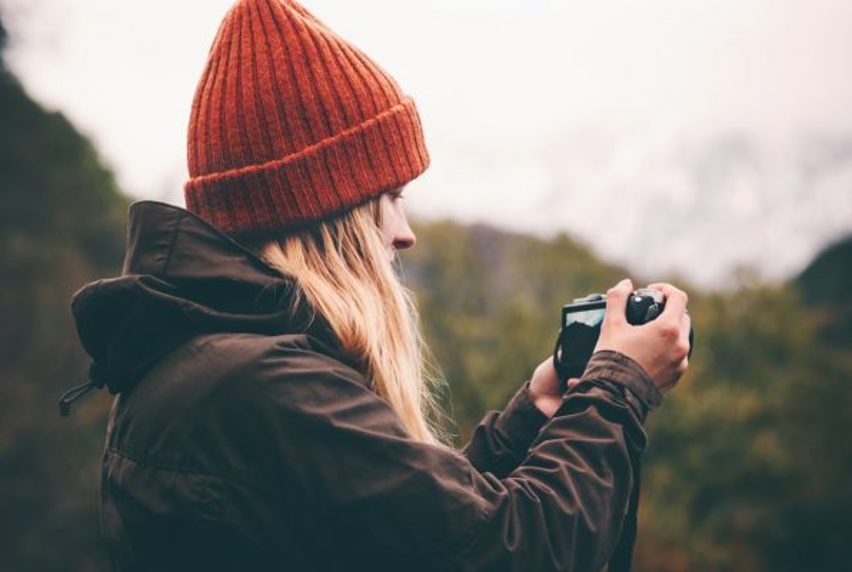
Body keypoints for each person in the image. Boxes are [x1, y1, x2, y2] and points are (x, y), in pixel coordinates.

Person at [65, 0, 691, 570]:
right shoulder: (268, 388)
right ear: (322, 210)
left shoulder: (218, 371)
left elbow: (402, 538)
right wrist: (617, 387)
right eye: (388, 197)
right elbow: (515, 555)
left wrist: (528, 422)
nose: (404, 231)